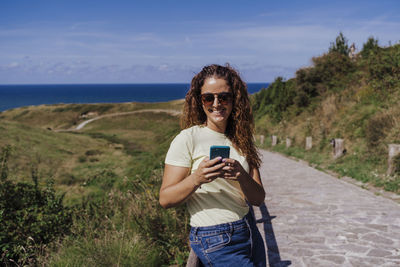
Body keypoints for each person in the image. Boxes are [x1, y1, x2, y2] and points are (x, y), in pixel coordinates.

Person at [159, 64, 266, 266]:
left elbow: (258, 198)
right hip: (214, 236)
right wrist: (197, 178)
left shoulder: (242, 139)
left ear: (234, 99)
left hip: (248, 230)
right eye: (209, 97)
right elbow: (165, 199)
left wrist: (241, 175)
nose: (216, 103)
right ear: (200, 102)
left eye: (224, 97)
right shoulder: (188, 139)